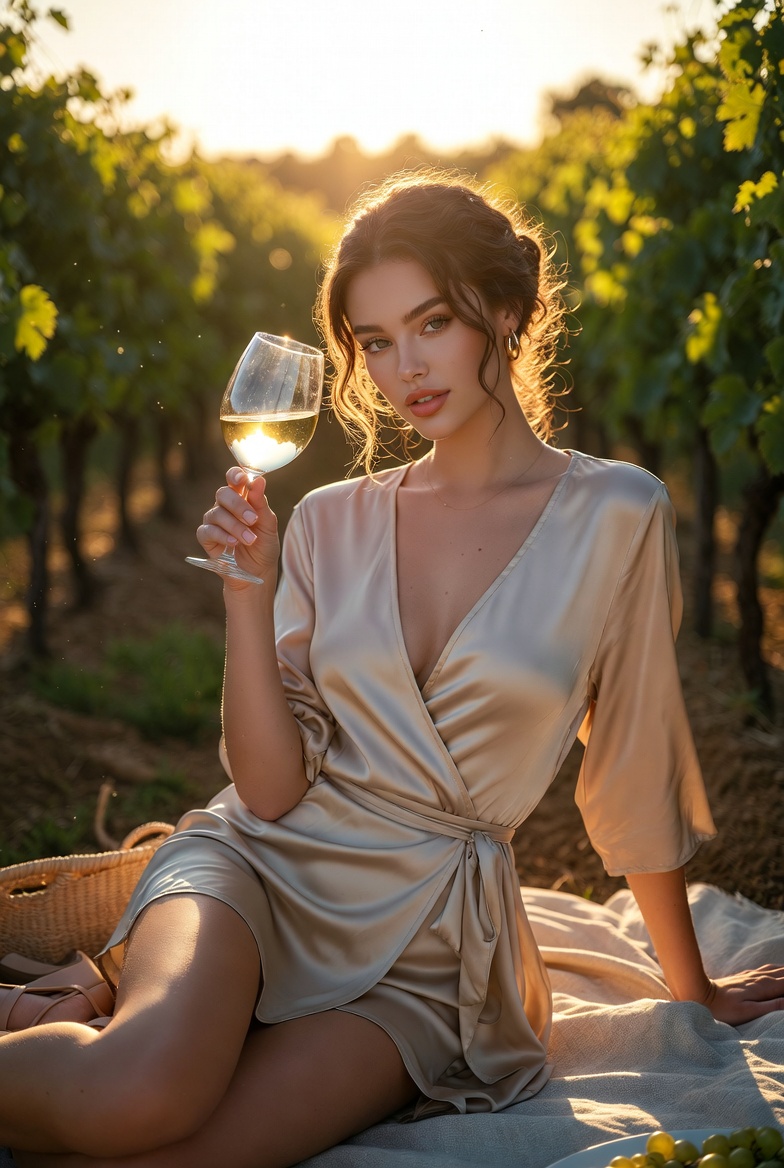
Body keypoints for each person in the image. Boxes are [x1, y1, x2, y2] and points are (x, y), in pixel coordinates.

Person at [1, 170, 783, 1168]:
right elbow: (271, 789)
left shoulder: (618, 512)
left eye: (431, 323)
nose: (404, 367)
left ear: (505, 311)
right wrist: (246, 592)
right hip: (258, 872)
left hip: (426, 957)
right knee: (133, 1091)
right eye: (374, 342)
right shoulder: (331, 518)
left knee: (169, 1156)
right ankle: (94, 1009)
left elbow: (631, 762)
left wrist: (695, 988)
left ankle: (52, 1004)